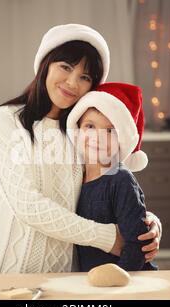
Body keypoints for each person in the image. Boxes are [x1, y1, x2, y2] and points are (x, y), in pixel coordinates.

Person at [0, 24, 162, 274]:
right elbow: (28, 205)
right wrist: (110, 237)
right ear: (45, 65)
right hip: (6, 272)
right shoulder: (5, 121)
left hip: (68, 278)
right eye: (65, 67)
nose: (72, 82)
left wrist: (146, 225)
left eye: (85, 77)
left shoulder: (80, 133)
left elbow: (108, 190)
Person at [66, 82, 157, 272]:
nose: (97, 137)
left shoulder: (120, 179)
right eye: (90, 126)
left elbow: (137, 243)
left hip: (125, 280)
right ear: (77, 130)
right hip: (90, 280)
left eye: (109, 131)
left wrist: (118, 282)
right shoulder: (74, 175)